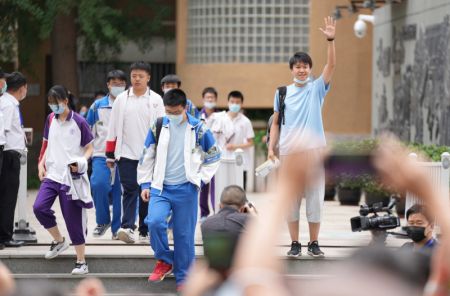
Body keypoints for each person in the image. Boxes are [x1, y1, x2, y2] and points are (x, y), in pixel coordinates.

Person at [137, 88, 221, 291]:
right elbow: (147, 155)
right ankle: (165, 260)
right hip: (160, 187)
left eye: (175, 112)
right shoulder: (158, 125)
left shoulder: (199, 128)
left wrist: (200, 180)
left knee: (184, 235)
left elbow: (214, 156)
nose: (172, 116)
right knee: (155, 222)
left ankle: (184, 277)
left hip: (187, 189)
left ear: (184, 108)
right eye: (168, 112)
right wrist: (145, 183)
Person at [267, 16, 336, 258]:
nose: (302, 69)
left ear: (310, 69)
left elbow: (331, 66)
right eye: (298, 66)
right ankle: (295, 243)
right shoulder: (282, 92)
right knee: (291, 200)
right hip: (288, 151)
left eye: (306, 66)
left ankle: (314, 243)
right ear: (292, 69)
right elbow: (276, 122)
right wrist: (271, 148)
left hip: (314, 150)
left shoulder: (317, 88)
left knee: (315, 199)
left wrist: (330, 39)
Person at [33, 85, 94, 275]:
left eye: (56, 102)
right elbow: (48, 143)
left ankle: (81, 262)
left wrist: (82, 161)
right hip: (52, 174)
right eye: (50, 103)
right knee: (39, 207)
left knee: (73, 219)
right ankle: (59, 241)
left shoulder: (79, 121)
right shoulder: (50, 119)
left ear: (65, 101)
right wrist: (41, 163)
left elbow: (90, 147)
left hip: (71, 178)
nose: (53, 106)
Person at [105, 61, 164, 244]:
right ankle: (128, 227)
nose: (137, 79)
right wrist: (109, 154)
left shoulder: (156, 100)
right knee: (129, 190)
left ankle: (144, 230)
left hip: (149, 155)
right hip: (126, 154)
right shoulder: (122, 99)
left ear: (148, 78)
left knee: (145, 192)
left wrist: (162, 154)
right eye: (134, 76)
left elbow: (162, 128)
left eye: (140, 76)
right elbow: (112, 127)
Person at [86, 70, 127, 239]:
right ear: (108, 85)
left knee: (120, 192)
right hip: (101, 154)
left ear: (125, 85)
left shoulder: (130, 104)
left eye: (120, 84)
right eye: (113, 83)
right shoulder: (97, 106)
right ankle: (103, 221)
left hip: (125, 156)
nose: (117, 87)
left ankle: (117, 228)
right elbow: (87, 131)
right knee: (98, 184)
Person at [0, 72, 28, 249]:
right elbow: (5, 131)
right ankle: (5, 236)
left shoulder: (8, 103)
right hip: (9, 155)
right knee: (8, 197)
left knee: (7, 197)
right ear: (22, 88)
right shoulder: (9, 105)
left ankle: (4, 235)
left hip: (9, 154)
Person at [223, 91, 255, 190]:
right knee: (224, 190)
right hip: (224, 160)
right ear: (228, 102)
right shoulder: (221, 119)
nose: (235, 104)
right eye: (232, 102)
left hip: (240, 162)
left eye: (237, 102)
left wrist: (235, 147)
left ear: (241, 104)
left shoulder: (246, 121)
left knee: (240, 191)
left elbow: (250, 142)